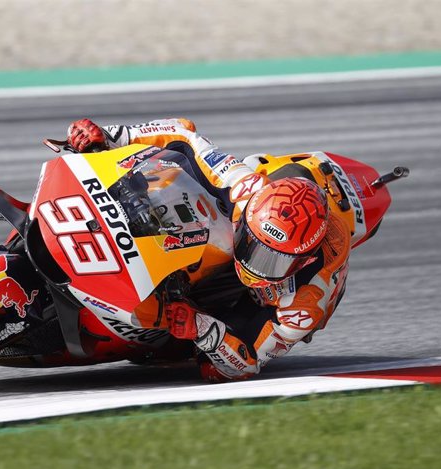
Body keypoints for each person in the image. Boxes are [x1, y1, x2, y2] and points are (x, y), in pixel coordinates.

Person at [66, 118, 350, 383]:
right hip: (247, 213)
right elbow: (183, 134)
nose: (255, 265)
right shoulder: (245, 188)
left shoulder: (303, 305)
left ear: (303, 260)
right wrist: (113, 137)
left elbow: (248, 363)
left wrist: (200, 328)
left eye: (272, 260)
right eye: (253, 245)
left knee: (207, 366)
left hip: (267, 302)